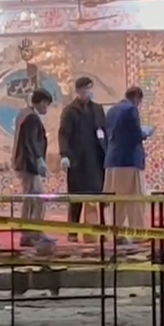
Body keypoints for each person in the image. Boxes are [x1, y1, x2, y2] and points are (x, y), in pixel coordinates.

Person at [58, 76, 107, 242]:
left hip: (95, 159)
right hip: (77, 160)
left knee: (98, 196)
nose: (89, 92)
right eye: (86, 89)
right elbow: (64, 134)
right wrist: (64, 154)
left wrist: (106, 152)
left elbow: (104, 131)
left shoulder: (98, 109)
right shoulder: (70, 111)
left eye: (90, 88)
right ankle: (72, 232)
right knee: (76, 197)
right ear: (78, 91)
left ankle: (100, 231)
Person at [103, 86, 153, 241]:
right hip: (129, 160)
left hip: (112, 160)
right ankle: (137, 234)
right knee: (135, 199)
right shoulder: (131, 109)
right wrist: (146, 132)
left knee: (118, 200)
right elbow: (135, 135)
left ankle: (117, 233)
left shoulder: (112, 110)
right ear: (137, 97)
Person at [11, 88, 53, 247]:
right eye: (46, 104)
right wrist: (39, 160)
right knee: (36, 199)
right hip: (28, 165)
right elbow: (31, 141)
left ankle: (30, 233)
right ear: (42, 102)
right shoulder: (32, 118)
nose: (46, 108)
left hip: (23, 163)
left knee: (32, 199)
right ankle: (32, 234)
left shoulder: (23, 113)